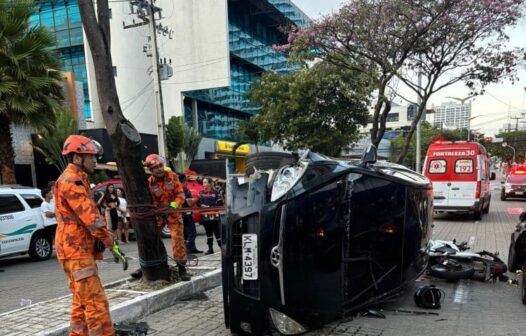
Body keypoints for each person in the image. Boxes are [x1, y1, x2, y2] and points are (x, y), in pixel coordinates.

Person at [55, 135, 121, 336]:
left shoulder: (79, 179)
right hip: (76, 252)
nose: (95, 160)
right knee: (95, 304)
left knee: (81, 302)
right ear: (77, 158)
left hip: (74, 250)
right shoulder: (72, 181)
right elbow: (91, 218)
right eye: (91, 156)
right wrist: (110, 241)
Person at [145, 154, 190, 281]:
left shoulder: (173, 177)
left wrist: (174, 204)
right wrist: (157, 208)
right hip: (159, 214)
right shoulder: (149, 183)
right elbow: (150, 200)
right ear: (150, 170)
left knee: (177, 239)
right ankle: (150, 265)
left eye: (160, 166)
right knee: (152, 239)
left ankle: (182, 268)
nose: (159, 169)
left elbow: (180, 194)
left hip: (173, 213)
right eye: (155, 167)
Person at [198, 177, 223, 255]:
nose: (203, 184)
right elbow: (198, 203)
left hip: (215, 216)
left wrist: (209, 206)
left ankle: (223, 249)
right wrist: (203, 206)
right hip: (205, 216)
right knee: (208, 234)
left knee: (217, 233)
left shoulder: (215, 192)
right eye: (203, 182)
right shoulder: (201, 193)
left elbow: (219, 202)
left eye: (205, 182)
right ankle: (210, 249)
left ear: (209, 183)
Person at [178, 173, 202, 254]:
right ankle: (188, 248)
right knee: (192, 233)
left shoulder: (176, 190)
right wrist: (198, 198)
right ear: (184, 181)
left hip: (180, 214)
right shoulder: (185, 190)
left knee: (185, 233)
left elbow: (173, 203)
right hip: (186, 214)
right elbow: (189, 203)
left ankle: (192, 248)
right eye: (186, 181)